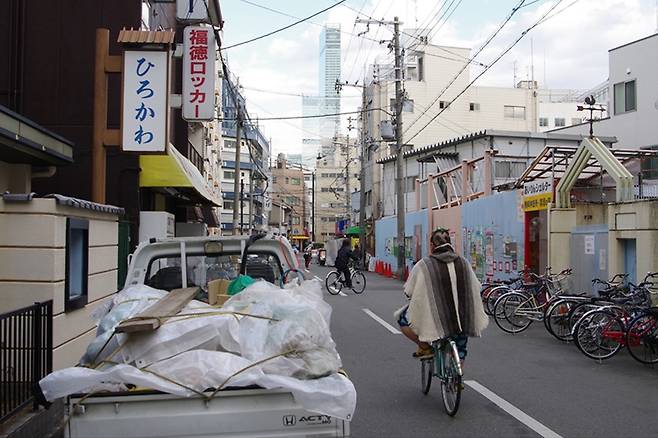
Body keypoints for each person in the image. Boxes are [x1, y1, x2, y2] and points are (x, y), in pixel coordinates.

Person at [394, 228, 488, 362]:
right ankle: (459, 370)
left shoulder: (424, 265)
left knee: (402, 319)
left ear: (432, 245)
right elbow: (476, 287)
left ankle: (425, 348)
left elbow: (409, 290)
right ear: (450, 243)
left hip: (435, 319)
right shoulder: (463, 263)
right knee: (460, 350)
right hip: (462, 318)